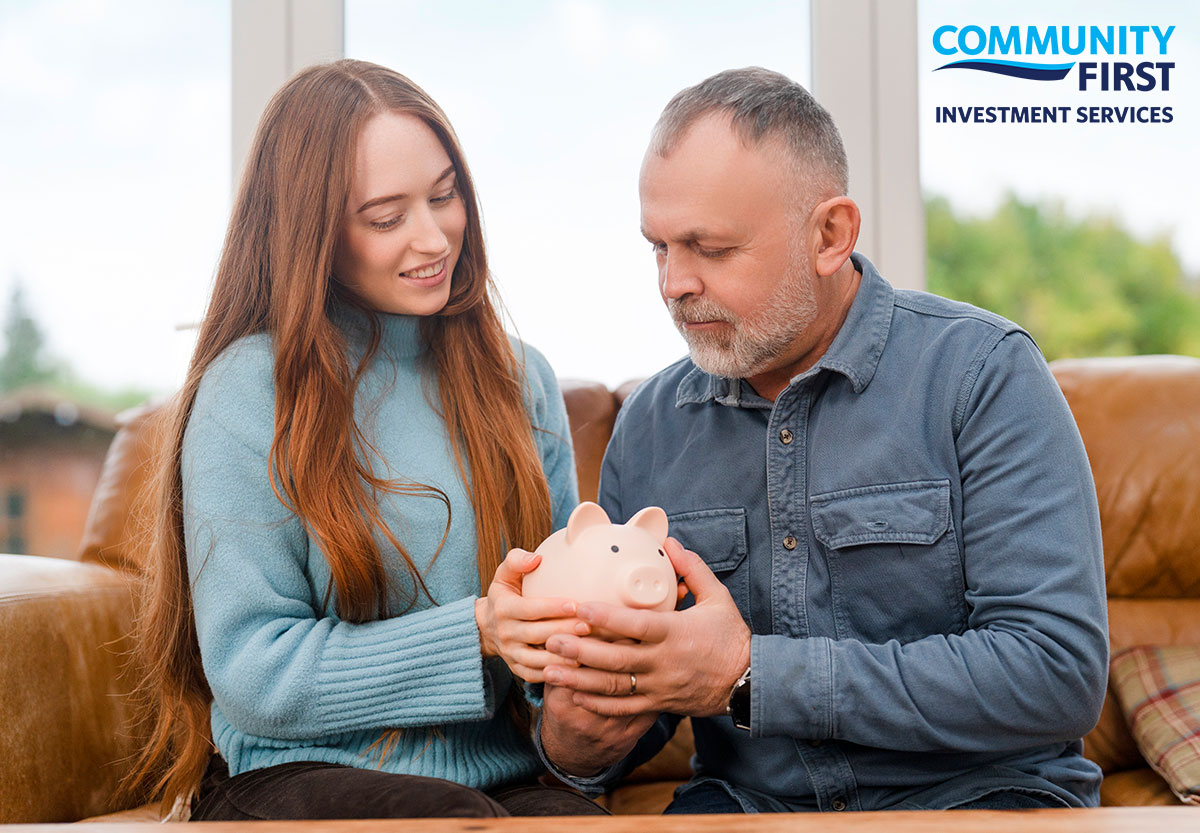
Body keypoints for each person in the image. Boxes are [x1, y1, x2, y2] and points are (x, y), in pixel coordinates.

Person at [523, 67, 1109, 813]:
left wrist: (750, 677)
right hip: (747, 806)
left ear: (830, 235)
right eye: (660, 248)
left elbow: (1056, 672)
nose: (674, 283)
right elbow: (625, 725)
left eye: (710, 247)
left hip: (978, 798)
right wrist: (577, 730)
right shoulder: (652, 425)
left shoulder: (983, 373)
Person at [126, 59, 603, 821]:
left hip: (498, 779)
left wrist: (592, 675)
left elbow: (553, 656)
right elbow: (252, 673)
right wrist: (478, 630)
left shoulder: (521, 378)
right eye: (386, 218)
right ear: (313, 234)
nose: (433, 237)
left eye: (444, 195)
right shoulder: (248, 391)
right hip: (292, 775)